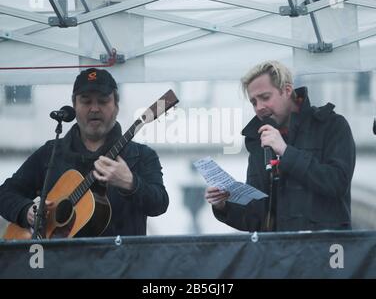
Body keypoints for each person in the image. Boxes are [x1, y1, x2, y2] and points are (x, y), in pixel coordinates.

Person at [0, 68, 169, 237]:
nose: (94, 109)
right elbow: (5, 194)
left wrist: (131, 183)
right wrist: (26, 211)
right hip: (57, 261)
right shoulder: (51, 154)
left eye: (103, 101)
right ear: (74, 106)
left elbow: (160, 204)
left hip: (122, 261)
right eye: (86, 101)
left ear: (116, 105)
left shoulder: (141, 155)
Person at [205, 60, 355, 232]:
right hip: (276, 253)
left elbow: (337, 183)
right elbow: (256, 219)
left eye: (265, 97)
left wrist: (286, 152)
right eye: (253, 102)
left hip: (324, 250)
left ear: (287, 90)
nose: (259, 107)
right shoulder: (258, 140)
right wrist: (223, 206)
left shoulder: (331, 125)